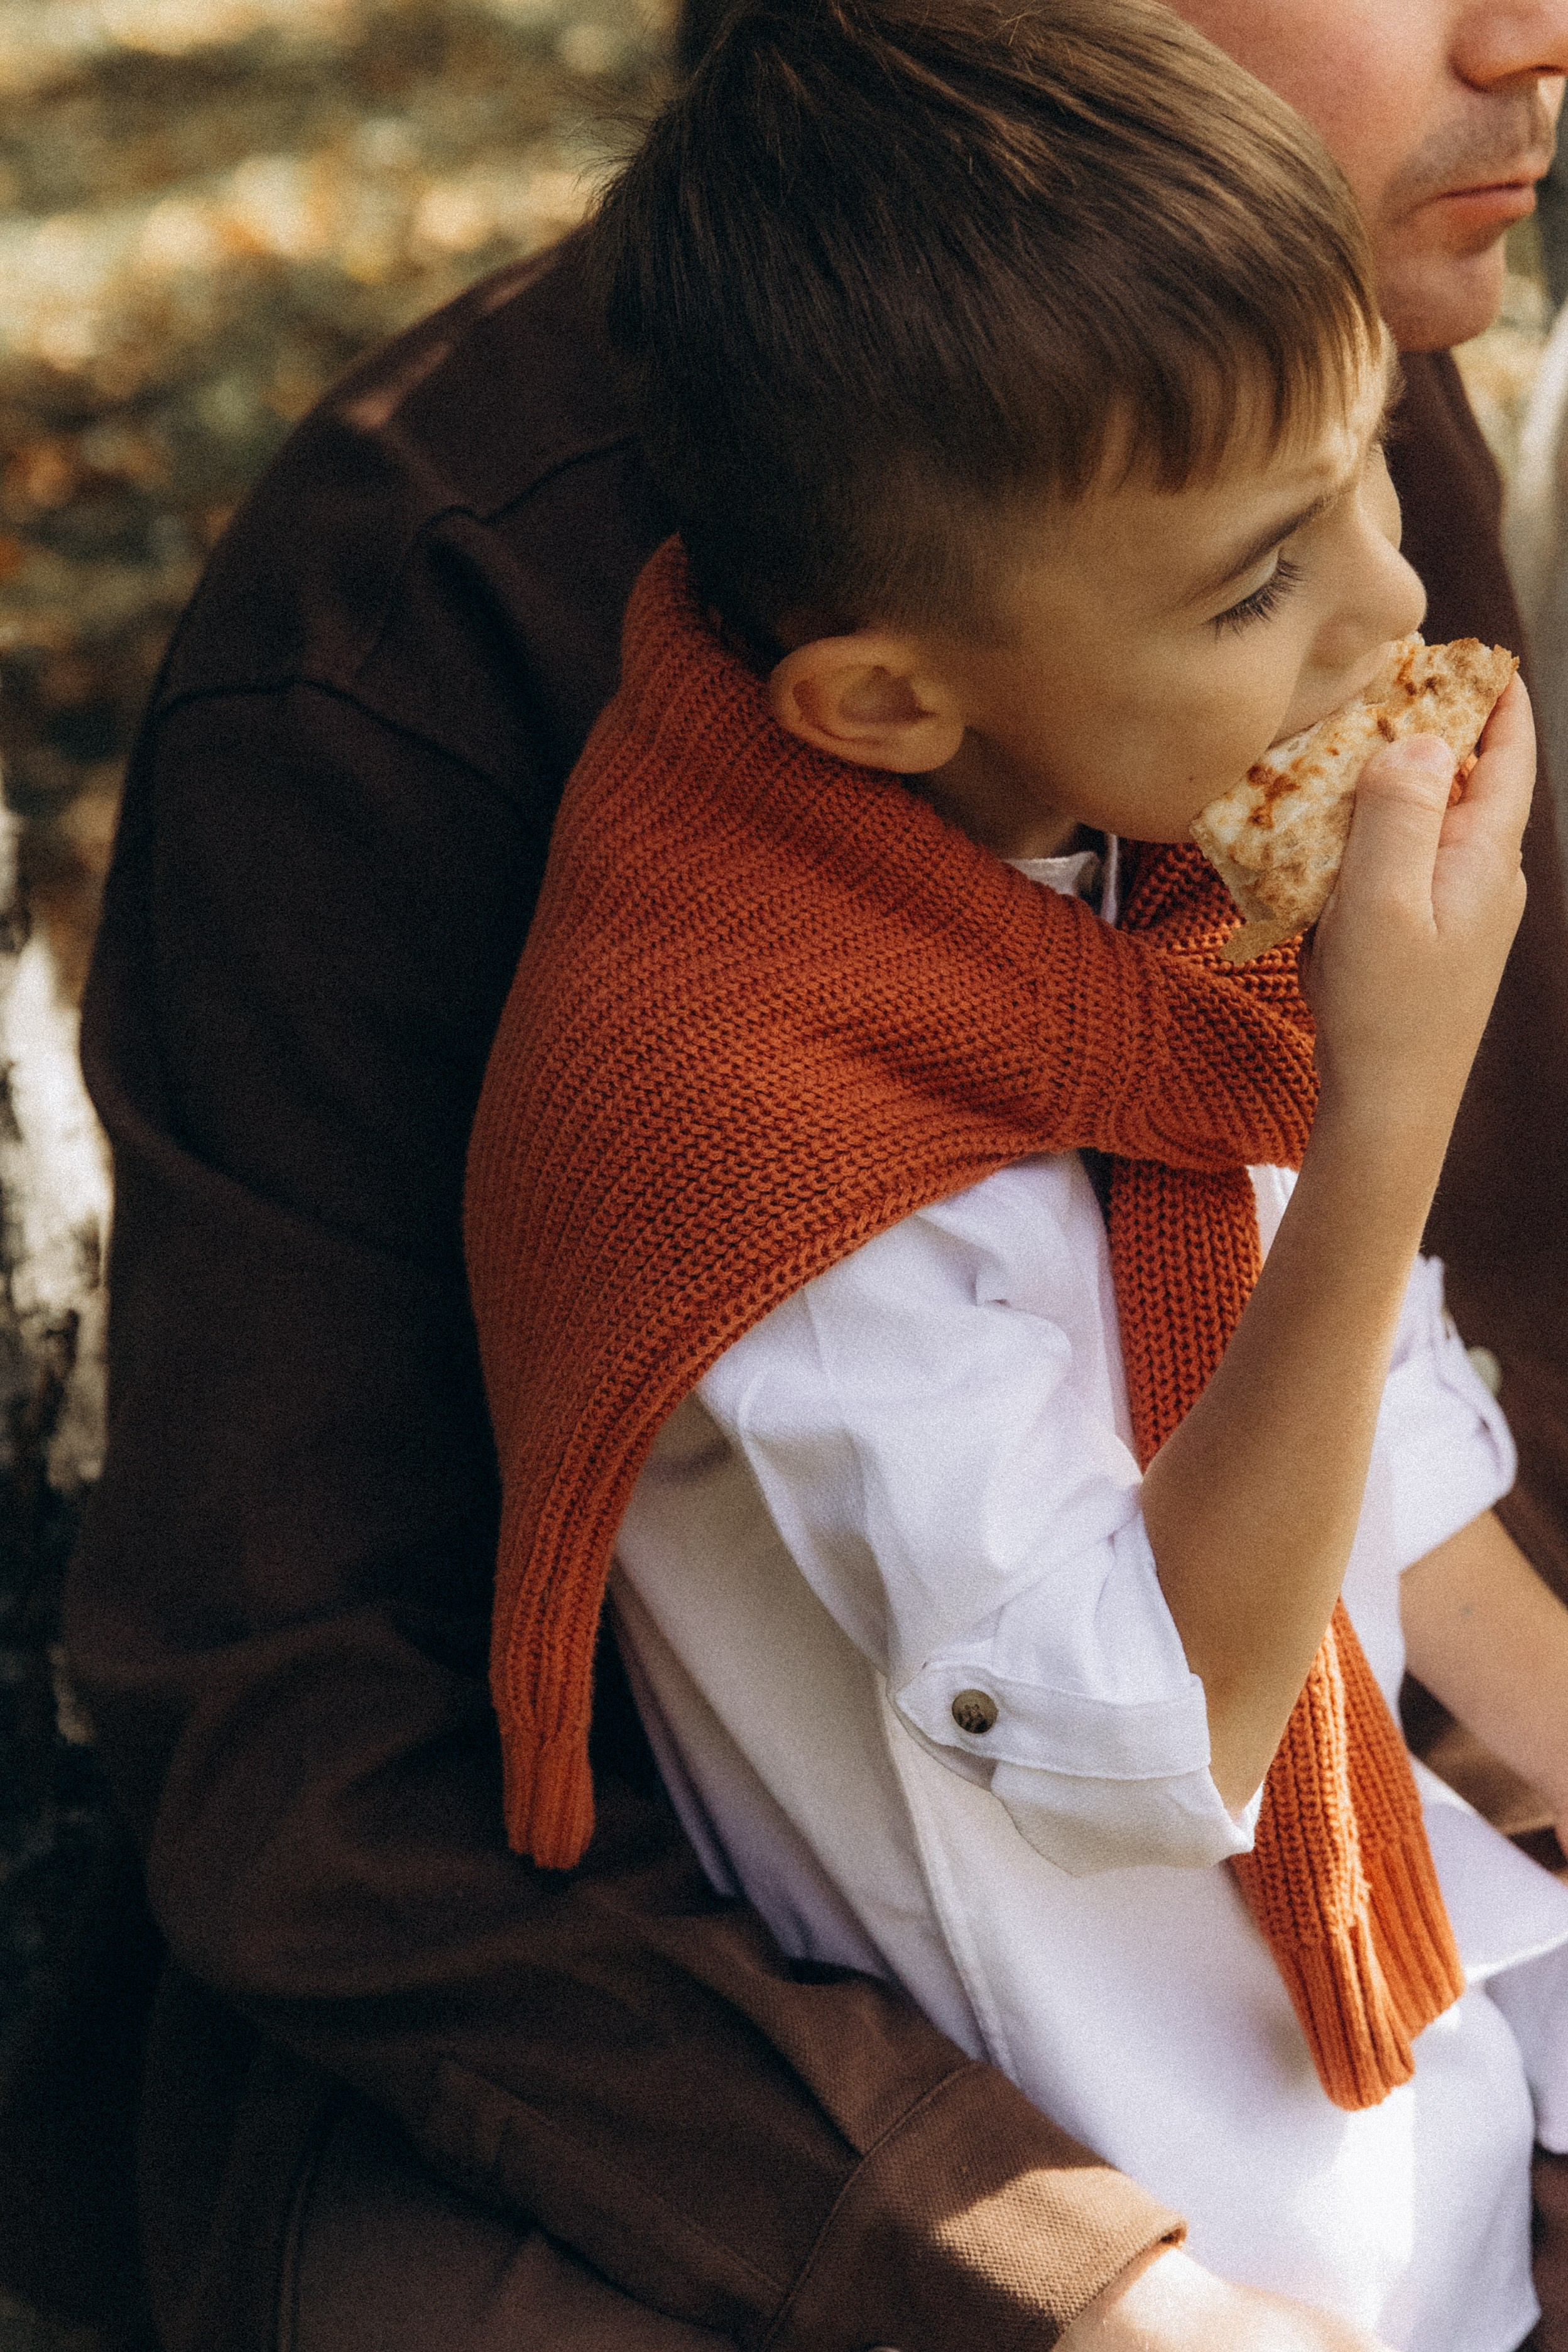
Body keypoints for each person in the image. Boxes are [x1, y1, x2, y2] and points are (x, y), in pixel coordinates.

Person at [26, 0, 1567, 2347]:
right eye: (1272, 571)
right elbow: (1133, 1721)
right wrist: (1383, 1117)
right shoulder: (748, 1099)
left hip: (1372, 1981)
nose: (1388, 611)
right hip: (942, 2069)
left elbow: (1402, 1444)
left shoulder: (1253, 507)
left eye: (1359, 499)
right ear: (880, 698)